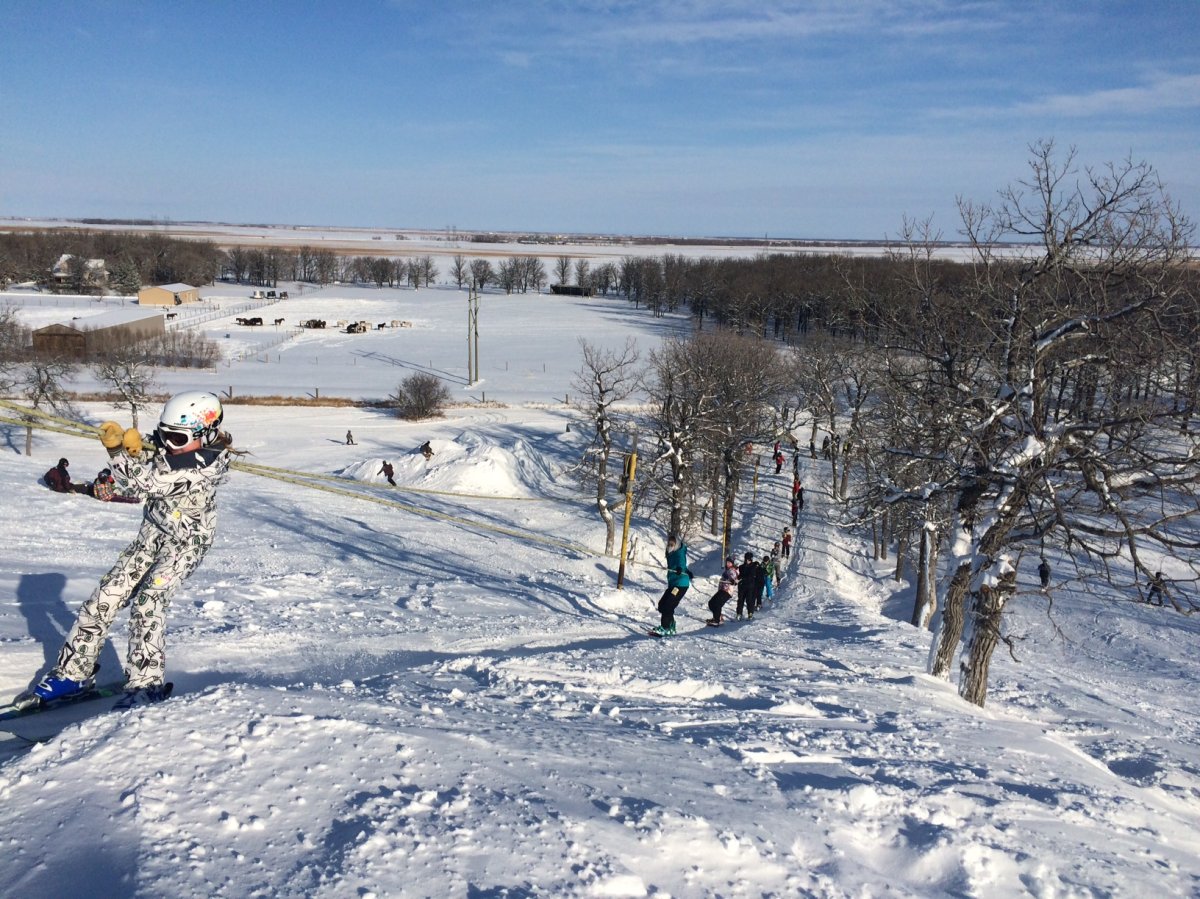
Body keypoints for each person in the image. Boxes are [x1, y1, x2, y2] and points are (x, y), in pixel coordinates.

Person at [15, 391, 233, 711]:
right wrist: (131, 453)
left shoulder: (205, 466)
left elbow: (144, 484)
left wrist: (118, 453)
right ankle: (75, 672)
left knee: (148, 603)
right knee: (104, 597)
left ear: (206, 433)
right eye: (163, 434)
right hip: (150, 537)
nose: (167, 443)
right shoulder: (174, 447)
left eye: (176, 437)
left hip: (185, 545)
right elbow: (140, 470)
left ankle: (146, 684)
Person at [653, 535, 691, 636]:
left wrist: (680, 568)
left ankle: (665, 628)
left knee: (668, 605)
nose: (670, 546)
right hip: (673, 583)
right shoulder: (671, 554)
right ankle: (671, 625)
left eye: (672, 545)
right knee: (662, 605)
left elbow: (681, 562)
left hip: (680, 585)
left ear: (676, 545)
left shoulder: (679, 552)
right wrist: (687, 571)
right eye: (669, 544)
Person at [707, 557, 738, 625]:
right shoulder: (727, 570)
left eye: (729, 563)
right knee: (711, 603)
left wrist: (733, 581)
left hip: (726, 591)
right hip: (722, 590)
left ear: (732, 564)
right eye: (727, 562)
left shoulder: (731, 570)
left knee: (717, 604)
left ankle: (717, 620)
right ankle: (718, 617)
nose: (728, 564)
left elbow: (733, 577)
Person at [736, 552, 757, 620]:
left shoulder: (753, 566)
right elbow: (740, 575)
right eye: (746, 559)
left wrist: (743, 578)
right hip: (742, 586)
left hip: (750, 586)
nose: (747, 561)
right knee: (740, 600)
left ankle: (750, 613)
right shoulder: (741, 567)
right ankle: (739, 613)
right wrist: (737, 579)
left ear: (751, 559)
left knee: (749, 600)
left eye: (749, 559)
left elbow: (751, 576)